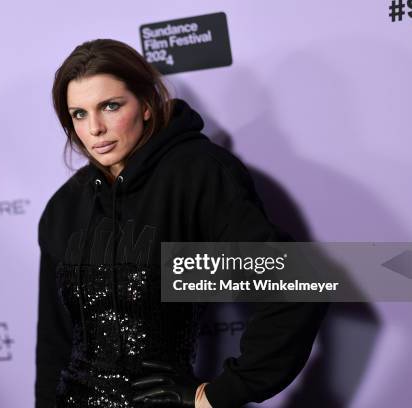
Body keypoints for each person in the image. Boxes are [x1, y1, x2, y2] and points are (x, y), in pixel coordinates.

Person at [35, 38, 329, 408]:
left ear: (145, 104)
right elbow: (54, 343)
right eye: (79, 114)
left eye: (110, 106)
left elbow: (299, 283)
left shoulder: (197, 174)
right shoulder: (65, 206)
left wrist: (224, 393)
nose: (94, 128)